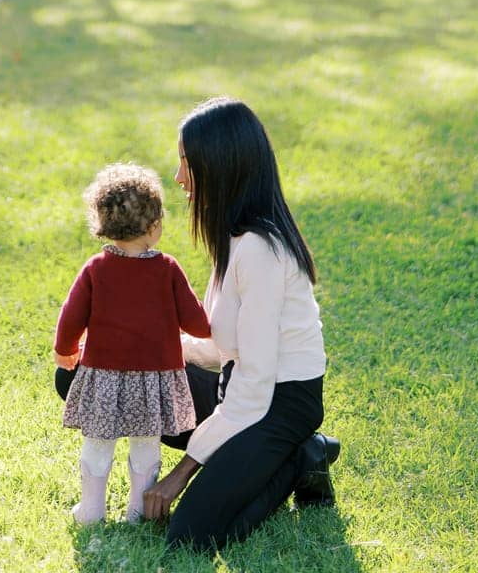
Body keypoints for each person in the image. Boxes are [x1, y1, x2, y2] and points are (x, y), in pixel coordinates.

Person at [141, 96, 340, 551]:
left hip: (279, 404)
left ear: (220, 166)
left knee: (191, 535)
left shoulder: (260, 250)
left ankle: (299, 457)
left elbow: (254, 384)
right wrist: (139, 346)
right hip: (240, 387)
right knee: (96, 375)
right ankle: (256, 459)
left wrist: (181, 473)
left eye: (186, 163)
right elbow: (222, 346)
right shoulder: (233, 237)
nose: (178, 178)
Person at [53, 162, 213, 525]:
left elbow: (70, 316)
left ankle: (91, 511)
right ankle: (138, 511)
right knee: (145, 444)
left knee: (98, 443)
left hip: (103, 377)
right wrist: (215, 325)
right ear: (154, 227)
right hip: (153, 380)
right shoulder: (168, 270)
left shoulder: (95, 269)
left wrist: (65, 351)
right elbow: (195, 322)